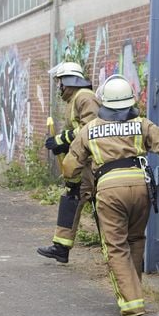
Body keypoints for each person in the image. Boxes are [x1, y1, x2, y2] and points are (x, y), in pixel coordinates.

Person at [61, 74, 159, 316]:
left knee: (116, 247)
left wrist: (73, 185)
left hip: (109, 190)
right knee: (135, 240)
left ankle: (131, 303)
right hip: (142, 187)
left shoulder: (90, 129)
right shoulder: (142, 124)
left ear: (104, 102)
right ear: (130, 101)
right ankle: (135, 293)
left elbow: (71, 165)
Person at [37, 62, 100, 263]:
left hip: (94, 163)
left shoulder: (84, 97)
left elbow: (90, 128)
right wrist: (63, 144)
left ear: (68, 81)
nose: (59, 87)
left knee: (101, 207)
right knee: (72, 199)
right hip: (84, 163)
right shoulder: (74, 100)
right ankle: (61, 247)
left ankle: (119, 252)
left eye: (60, 82)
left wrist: (60, 140)